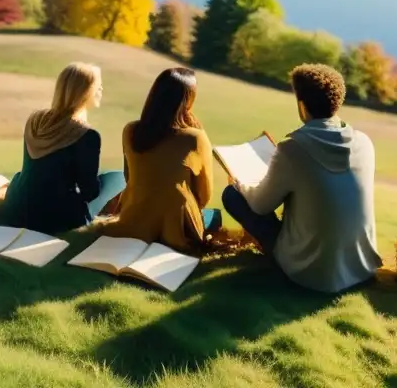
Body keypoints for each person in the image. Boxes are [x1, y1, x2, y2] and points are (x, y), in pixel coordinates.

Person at [222, 63, 382, 293]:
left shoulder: (293, 148)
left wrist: (239, 183)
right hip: (360, 267)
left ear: (302, 105)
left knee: (233, 196)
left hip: (310, 273)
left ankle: (278, 256)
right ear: (337, 103)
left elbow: (259, 205)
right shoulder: (364, 142)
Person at [99, 67, 222, 253]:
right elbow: (204, 196)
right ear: (187, 100)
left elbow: (130, 178)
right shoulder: (195, 137)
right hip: (176, 228)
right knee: (215, 216)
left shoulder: (130, 131)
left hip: (133, 218)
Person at [2, 62, 125, 234]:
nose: (101, 89)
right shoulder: (87, 135)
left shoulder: (35, 120)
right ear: (84, 91)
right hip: (55, 218)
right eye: (98, 86)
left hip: (16, 206)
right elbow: (90, 192)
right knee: (119, 177)